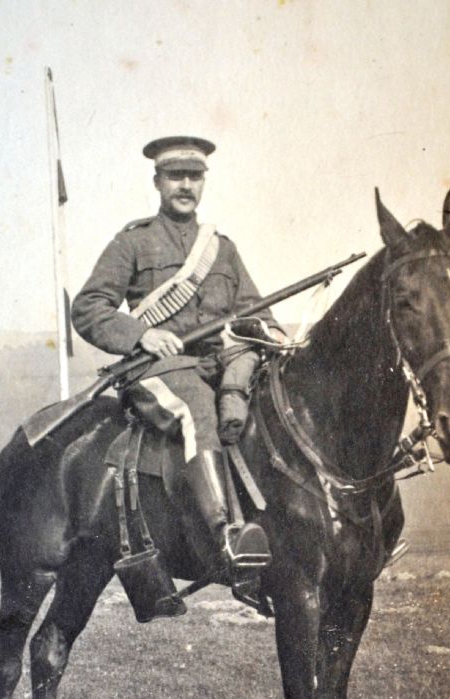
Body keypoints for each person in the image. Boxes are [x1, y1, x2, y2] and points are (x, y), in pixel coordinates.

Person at [72, 136, 284, 588]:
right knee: (197, 411)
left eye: (194, 176)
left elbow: (254, 312)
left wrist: (274, 334)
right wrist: (141, 334)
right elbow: (88, 307)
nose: (185, 185)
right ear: (158, 182)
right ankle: (225, 534)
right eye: (175, 176)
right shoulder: (133, 243)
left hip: (217, 366)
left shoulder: (222, 249)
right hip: (159, 370)